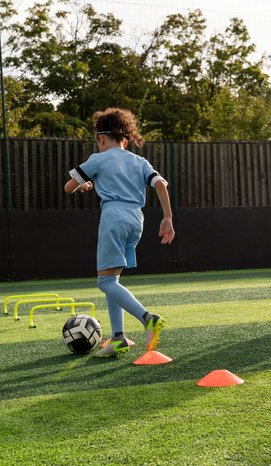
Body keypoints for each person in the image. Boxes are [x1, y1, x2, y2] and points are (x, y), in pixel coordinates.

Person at [64, 108, 175, 357]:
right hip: (137, 219)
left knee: (104, 281)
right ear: (124, 140)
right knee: (112, 281)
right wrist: (167, 217)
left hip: (113, 217)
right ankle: (118, 338)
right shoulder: (139, 161)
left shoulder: (98, 159)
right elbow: (159, 183)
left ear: (101, 139)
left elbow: (69, 187)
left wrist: (83, 183)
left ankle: (148, 318)